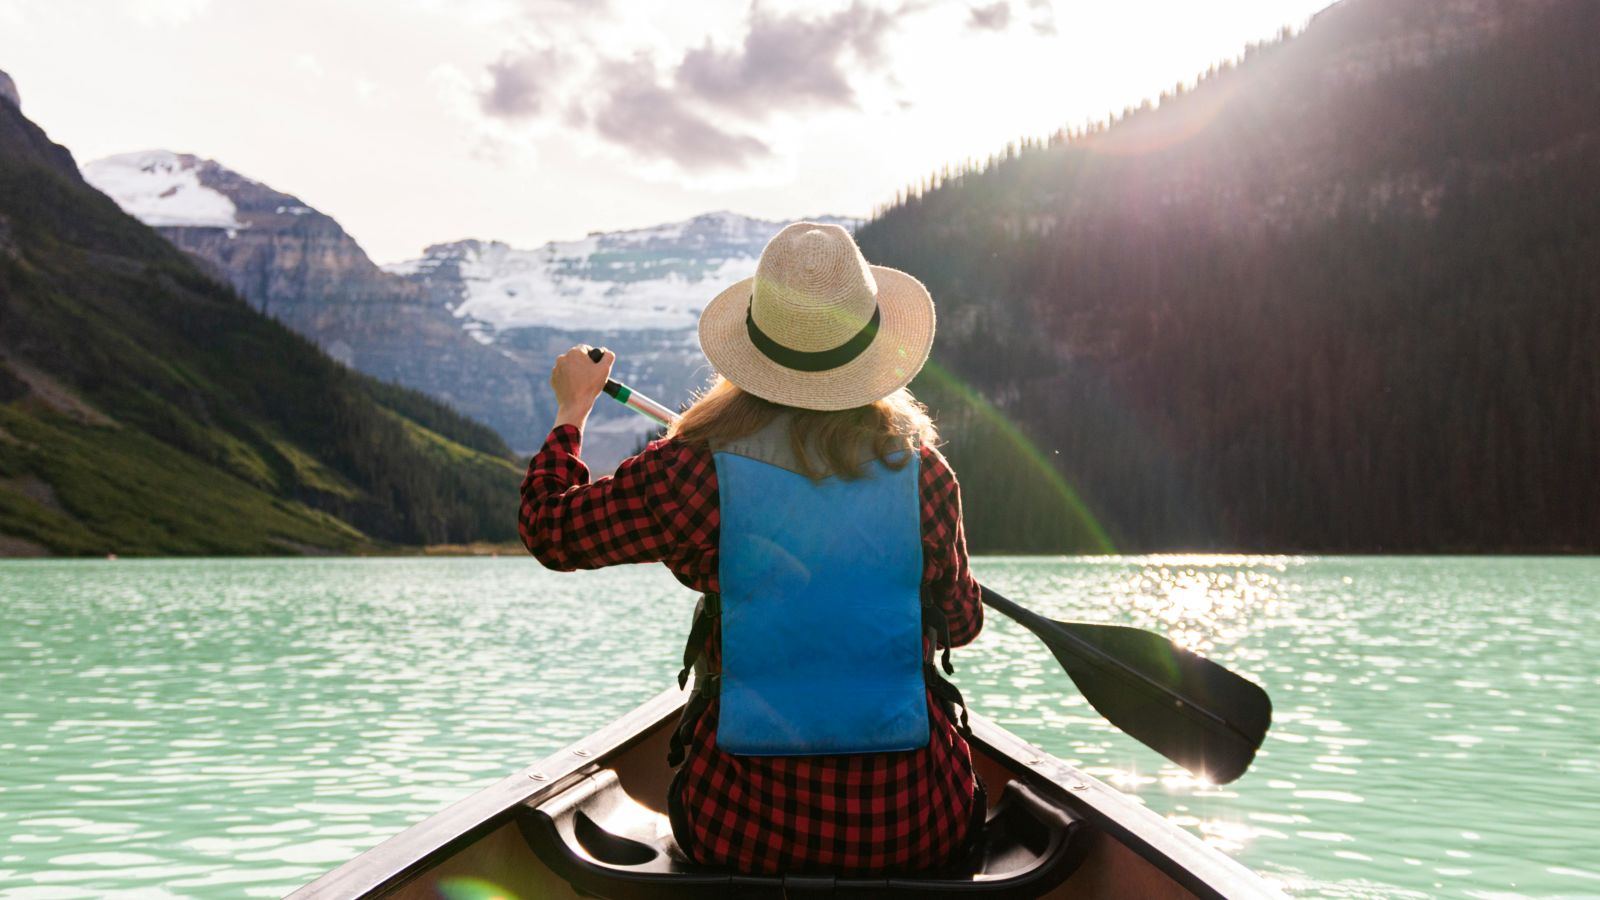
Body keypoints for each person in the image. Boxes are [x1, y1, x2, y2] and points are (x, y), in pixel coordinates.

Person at [519, 221, 984, 876]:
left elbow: (550, 530)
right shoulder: (926, 474)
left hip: (741, 828)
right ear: (869, 349)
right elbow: (960, 626)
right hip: (916, 822)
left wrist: (572, 411)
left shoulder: (688, 470)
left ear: (755, 351)